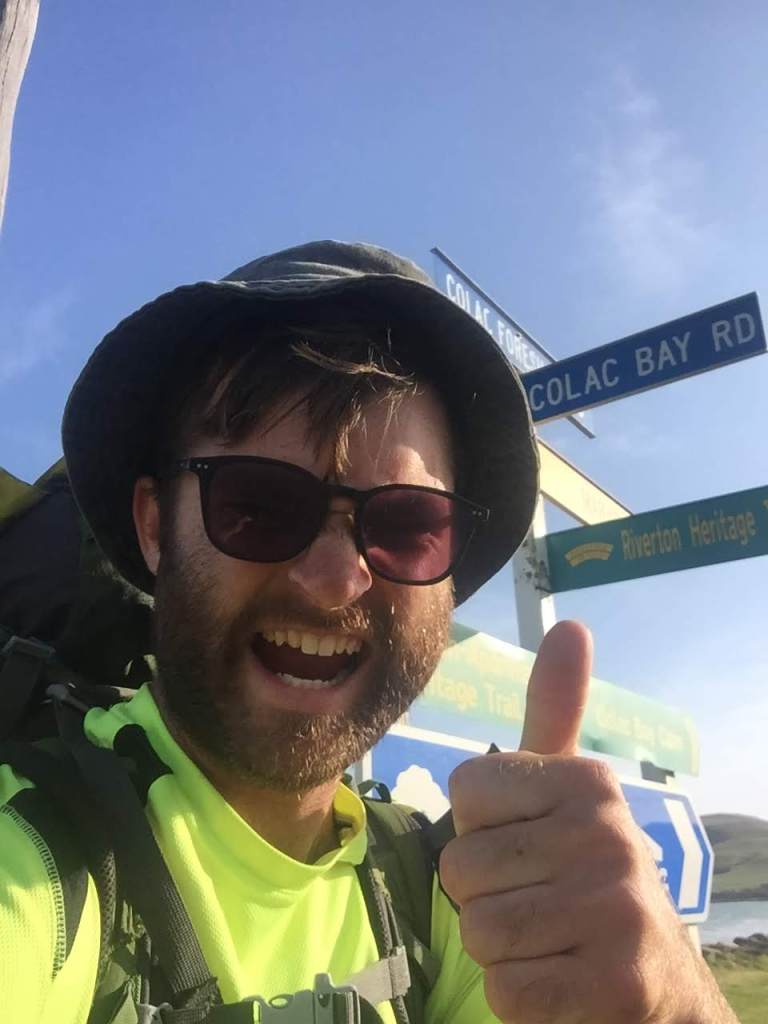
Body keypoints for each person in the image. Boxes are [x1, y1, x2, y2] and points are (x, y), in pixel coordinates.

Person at [0, 241, 735, 1023]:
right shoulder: (36, 854)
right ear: (155, 528)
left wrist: (678, 1002)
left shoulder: (451, 896)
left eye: (409, 525)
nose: (336, 579)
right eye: (256, 506)